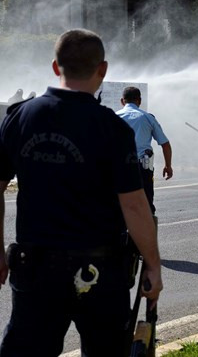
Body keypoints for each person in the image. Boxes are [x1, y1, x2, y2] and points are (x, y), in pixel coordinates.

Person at [0, 29, 162, 356]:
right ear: (102, 70)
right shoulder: (112, 128)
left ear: (55, 67)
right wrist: (153, 265)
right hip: (102, 275)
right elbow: (134, 205)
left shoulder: (20, 117)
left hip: (35, 272)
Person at [117, 86, 173, 216]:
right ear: (139, 101)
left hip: (119, 169)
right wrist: (168, 166)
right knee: (146, 207)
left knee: (119, 207)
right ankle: (145, 235)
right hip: (142, 169)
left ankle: (120, 234)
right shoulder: (147, 118)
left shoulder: (114, 117)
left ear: (122, 101)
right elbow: (165, 144)